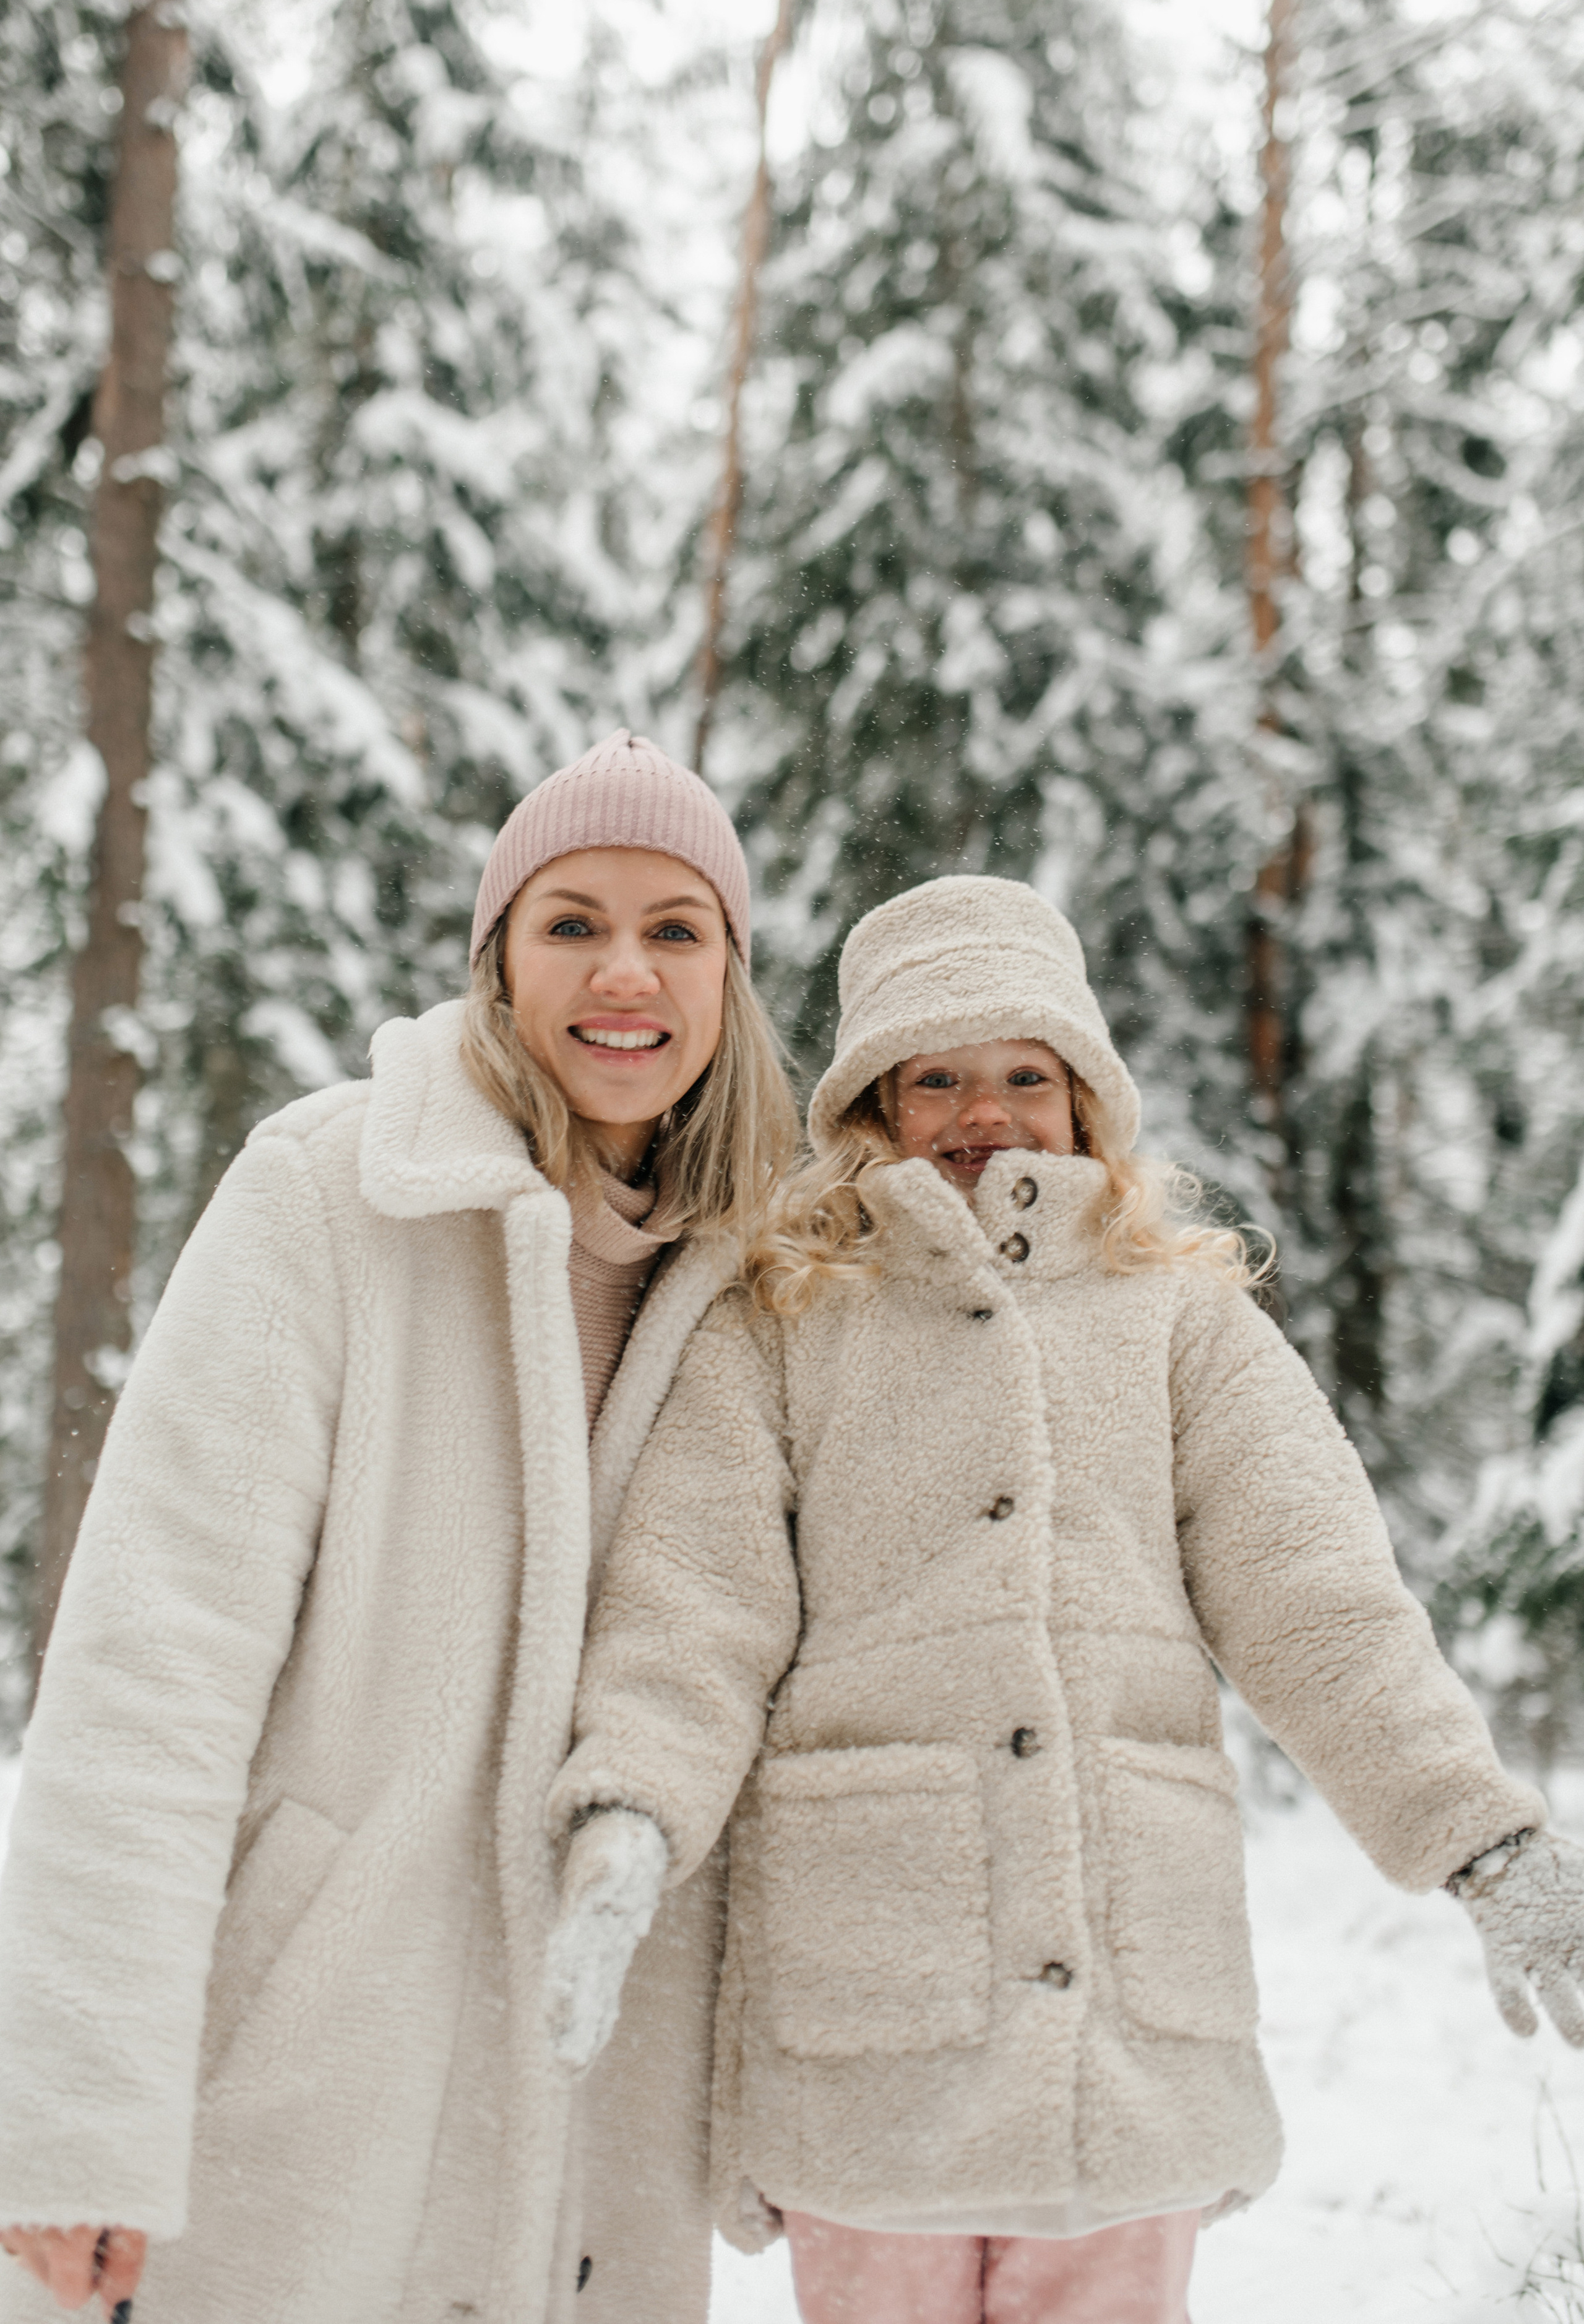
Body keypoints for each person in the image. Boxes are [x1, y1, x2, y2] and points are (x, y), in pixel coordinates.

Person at [544, 875, 1584, 2324]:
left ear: (1085, 1098)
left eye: (1025, 1073)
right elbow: (689, 1613)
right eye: (937, 1078)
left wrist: (1485, 1845)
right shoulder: (781, 1317)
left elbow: (1322, 1608)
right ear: (871, 1108)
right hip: (874, 2008)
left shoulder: (1181, 1321)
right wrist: (626, 1819)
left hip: (1124, 2015)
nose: (986, 1111)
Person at [0, 730, 798, 2324]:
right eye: (570, 920)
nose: (621, 971)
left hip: (607, 2113)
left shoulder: (770, 1268)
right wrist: (77, 2116)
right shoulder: (330, 1193)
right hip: (310, 2072)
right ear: (496, 957)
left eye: (673, 927)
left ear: (729, 975)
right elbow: (152, 1670)